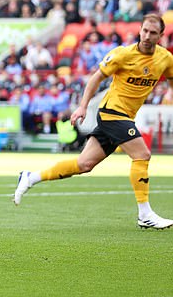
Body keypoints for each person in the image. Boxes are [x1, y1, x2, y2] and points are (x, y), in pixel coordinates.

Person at [14, 14, 173, 230]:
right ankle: (145, 213)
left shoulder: (165, 58)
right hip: (112, 112)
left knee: (83, 164)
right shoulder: (122, 54)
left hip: (125, 116)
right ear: (140, 30)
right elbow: (96, 78)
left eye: (152, 33)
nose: (146, 36)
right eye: (144, 30)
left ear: (161, 35)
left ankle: (31, 177)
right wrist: (82, 106)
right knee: (142, 155)